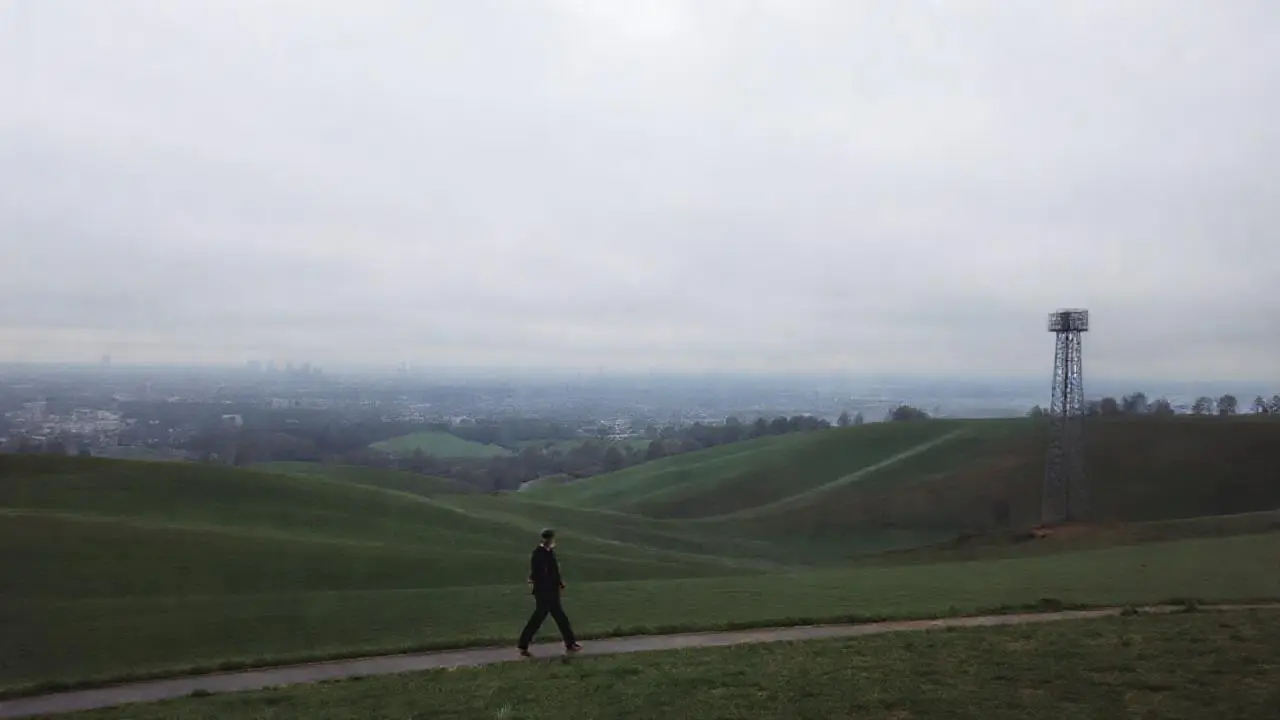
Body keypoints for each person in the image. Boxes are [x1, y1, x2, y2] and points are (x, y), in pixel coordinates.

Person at [517, 528, 582, 656]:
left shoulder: (549, 552)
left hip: (551, 591)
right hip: (545, 591)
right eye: (550, 539)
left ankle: (570, 643)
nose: (551, 541)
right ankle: (523, 644)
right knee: (540, 618)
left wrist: (559, 583)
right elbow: (539, 573)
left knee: (558, 618)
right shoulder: (539, 554)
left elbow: (553, 571)